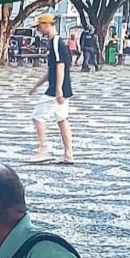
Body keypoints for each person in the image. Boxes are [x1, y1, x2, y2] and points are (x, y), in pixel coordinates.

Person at [28, 13, 74, 165]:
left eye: (40, 26)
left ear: (47, 24)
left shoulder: (56, 42)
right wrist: (36, 85)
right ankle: (68, 154)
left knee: (37, 116)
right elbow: (52, 69)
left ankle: (43, 150)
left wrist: (58, 89)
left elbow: (60, 65)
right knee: (62, 120)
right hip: (62, 86)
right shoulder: (55, 42)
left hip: (56, 89)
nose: (39, 30)